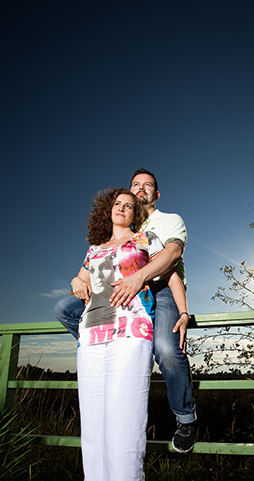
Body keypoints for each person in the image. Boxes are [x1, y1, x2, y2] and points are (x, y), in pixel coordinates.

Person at [71, 188, 190, 481]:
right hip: (91, 336)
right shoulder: (93, 248)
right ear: (106, 211)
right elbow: (82, 278)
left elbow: (170, 270)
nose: (122, 208)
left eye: (128, 204)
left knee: (123, 436)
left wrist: (184, 312)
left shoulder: (146, 240)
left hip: (131, 332)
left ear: (135, 212)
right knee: (95, 437)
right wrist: (76, 279)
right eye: (116, 204)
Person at [54, 168, 198, 452]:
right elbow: (88, 271)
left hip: (158, 288)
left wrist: (183, 312)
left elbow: (172, 258)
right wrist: (76, 282)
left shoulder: (166, 222)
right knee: (65, 308)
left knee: (167, 350)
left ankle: (185, 417)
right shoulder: (120, 228)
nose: (141, 188)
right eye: (136, 185)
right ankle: (112, 351)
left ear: (156, 194)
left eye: (148, 186)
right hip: (118, 296)